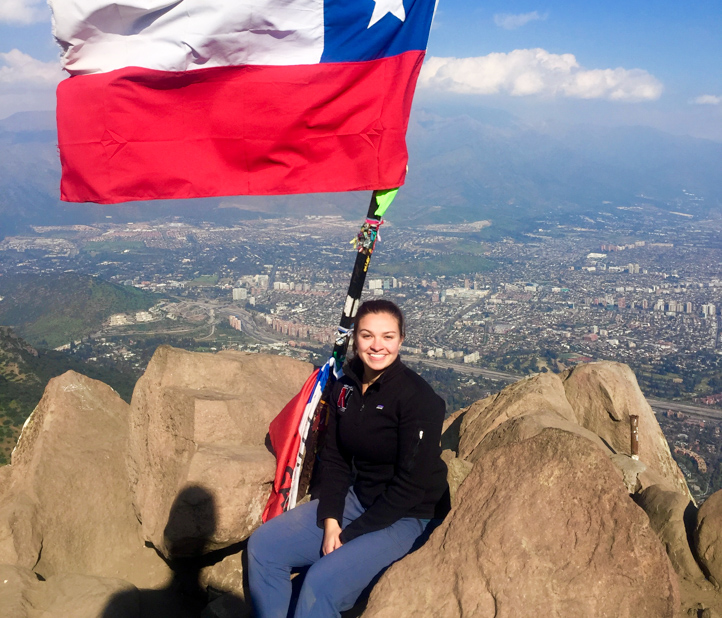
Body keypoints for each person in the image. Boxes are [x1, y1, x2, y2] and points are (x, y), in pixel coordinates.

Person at [247, 299, 449, 618]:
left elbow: (410, 488)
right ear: (355, 338)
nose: (377, 345)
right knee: (264, 547)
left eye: (387, 336)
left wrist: (348, 535)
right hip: (360, 499)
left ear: (401, 339)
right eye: (367, 335)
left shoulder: (418, 400)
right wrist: (331, 521)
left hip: (409, 516)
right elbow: (336, 458)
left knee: (320, 583)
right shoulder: (344, 387)